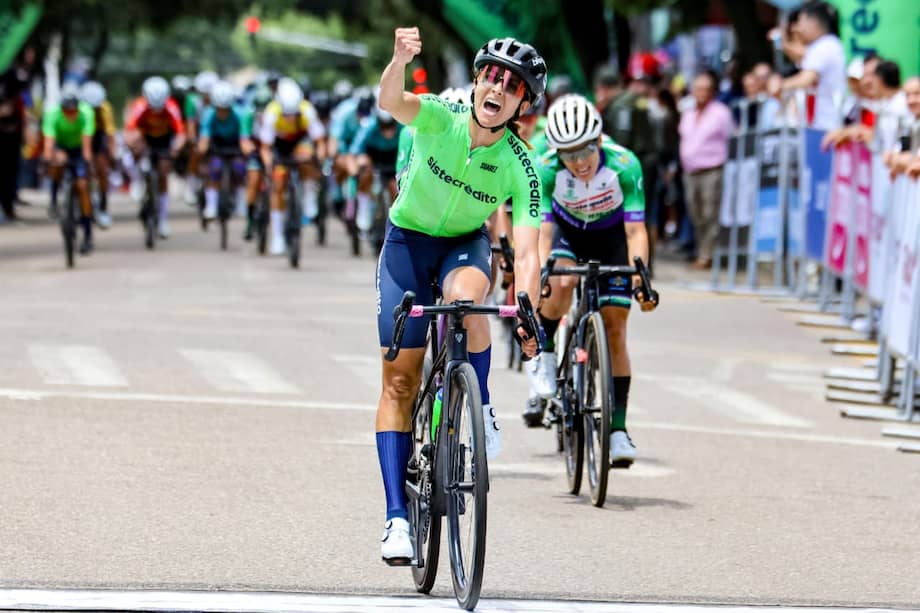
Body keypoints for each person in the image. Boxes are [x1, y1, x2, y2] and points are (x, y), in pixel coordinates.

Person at [375, 28, 545, 563]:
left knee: (469, 303)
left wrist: (528, 308)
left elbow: (530, 248)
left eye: (512, 85)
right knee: (400, 379)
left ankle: (481, 405)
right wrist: (400, 61)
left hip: (463, 246)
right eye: (491, 75)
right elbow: (392, 101)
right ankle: (396, 520)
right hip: (408, 243)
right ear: (476, 81)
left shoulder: (522, 163)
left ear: (522, 103)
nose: (498, 87)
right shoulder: (440, 117)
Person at [523, 94, 657, 461]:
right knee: (562, 281)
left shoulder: (625, 165)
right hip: (568, 232)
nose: (578, 162)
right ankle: (545, 352)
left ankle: (617, 430)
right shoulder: (545, 167)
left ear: (599, 141)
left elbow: (636, 233)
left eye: (584, 151)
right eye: (568, 154)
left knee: (616, 329)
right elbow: (543, 235)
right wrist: (542, 273)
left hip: (611, 237)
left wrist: (639, 277)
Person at [258, 77, 326, 255]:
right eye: (286, 115)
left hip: (299, 142)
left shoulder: (306, 110)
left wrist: (318, 161)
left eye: (293, 114)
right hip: (279, 146)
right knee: (278, 184)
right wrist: (268, 165)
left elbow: (319, 143)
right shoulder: (271, 112)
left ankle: (309, 194)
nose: (289, 118)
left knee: (307, 157)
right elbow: (265, 148)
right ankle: (278, 235)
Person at [678, 70, 733, 270]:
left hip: (712, 169)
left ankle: (707, 255)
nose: (702, 93)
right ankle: (703, 251)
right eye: (698, 89)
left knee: (711, 213)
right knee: (696, 214)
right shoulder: (688, 113)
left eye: (706, 89)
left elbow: (732, 137)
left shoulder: (721, 112)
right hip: (690, 171)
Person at [124, 76, 186, 238]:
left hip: (164, 140)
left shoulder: (172, 106)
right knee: (135, 149)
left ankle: (163, 219)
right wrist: (132, 144)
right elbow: (129, 130)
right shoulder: (139, 105)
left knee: (163, 172)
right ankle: (136, 181)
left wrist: (176, 149)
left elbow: (180, 134)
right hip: (145, 138)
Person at [771, 0, 845, 130]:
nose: (798, 28)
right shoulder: (828, 45)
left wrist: (780, 85)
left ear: (814, 22)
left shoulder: (824, 46)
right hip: (823, 123)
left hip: (824, 125)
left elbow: (806, 79)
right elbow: (796, 54)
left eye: (800, 22)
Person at [42, 83, 95, 252]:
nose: (70, 114)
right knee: (56, 165)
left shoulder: (86, 113)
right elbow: (49, 142)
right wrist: (49, 158)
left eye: (73, 111)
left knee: (82, 186)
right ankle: (54, 198)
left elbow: (87, 145)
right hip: (61, 146)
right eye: (67, 111)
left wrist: (86, 160)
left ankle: (87, 233)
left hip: (79, 148)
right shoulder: (53, 115)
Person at [198, 80, 255, 221]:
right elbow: (204, 138)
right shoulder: (208, 114)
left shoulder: (241, 113)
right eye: (219, 109)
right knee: (215, 168)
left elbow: (244, 138)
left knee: (240, 168)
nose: (222, 112)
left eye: (226, 109)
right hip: (217, 143)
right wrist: (202, 149)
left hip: (235, 143)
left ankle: (241, 201)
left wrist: (249, 150)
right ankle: (211, 205)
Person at [347, 105, 402, 237]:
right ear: (378, 122)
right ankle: (364, 206)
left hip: (393, 157)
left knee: (397, 188)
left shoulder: (403, 127)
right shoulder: (368, 127)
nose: (388, 130)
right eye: (383, 126)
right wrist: (355, 171)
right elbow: (353, 153)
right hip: (372, 156)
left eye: (391, 126)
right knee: (363, 167)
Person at [79, 81, 117, 229]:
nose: (93, 111)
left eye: (96, 108)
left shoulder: (105, 109)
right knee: (83, 172)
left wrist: (113, 154)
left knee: (102, 169)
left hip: (98, 137)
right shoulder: (79, 110)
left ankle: (102, 206)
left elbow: (110, 134)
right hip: (81, 136)